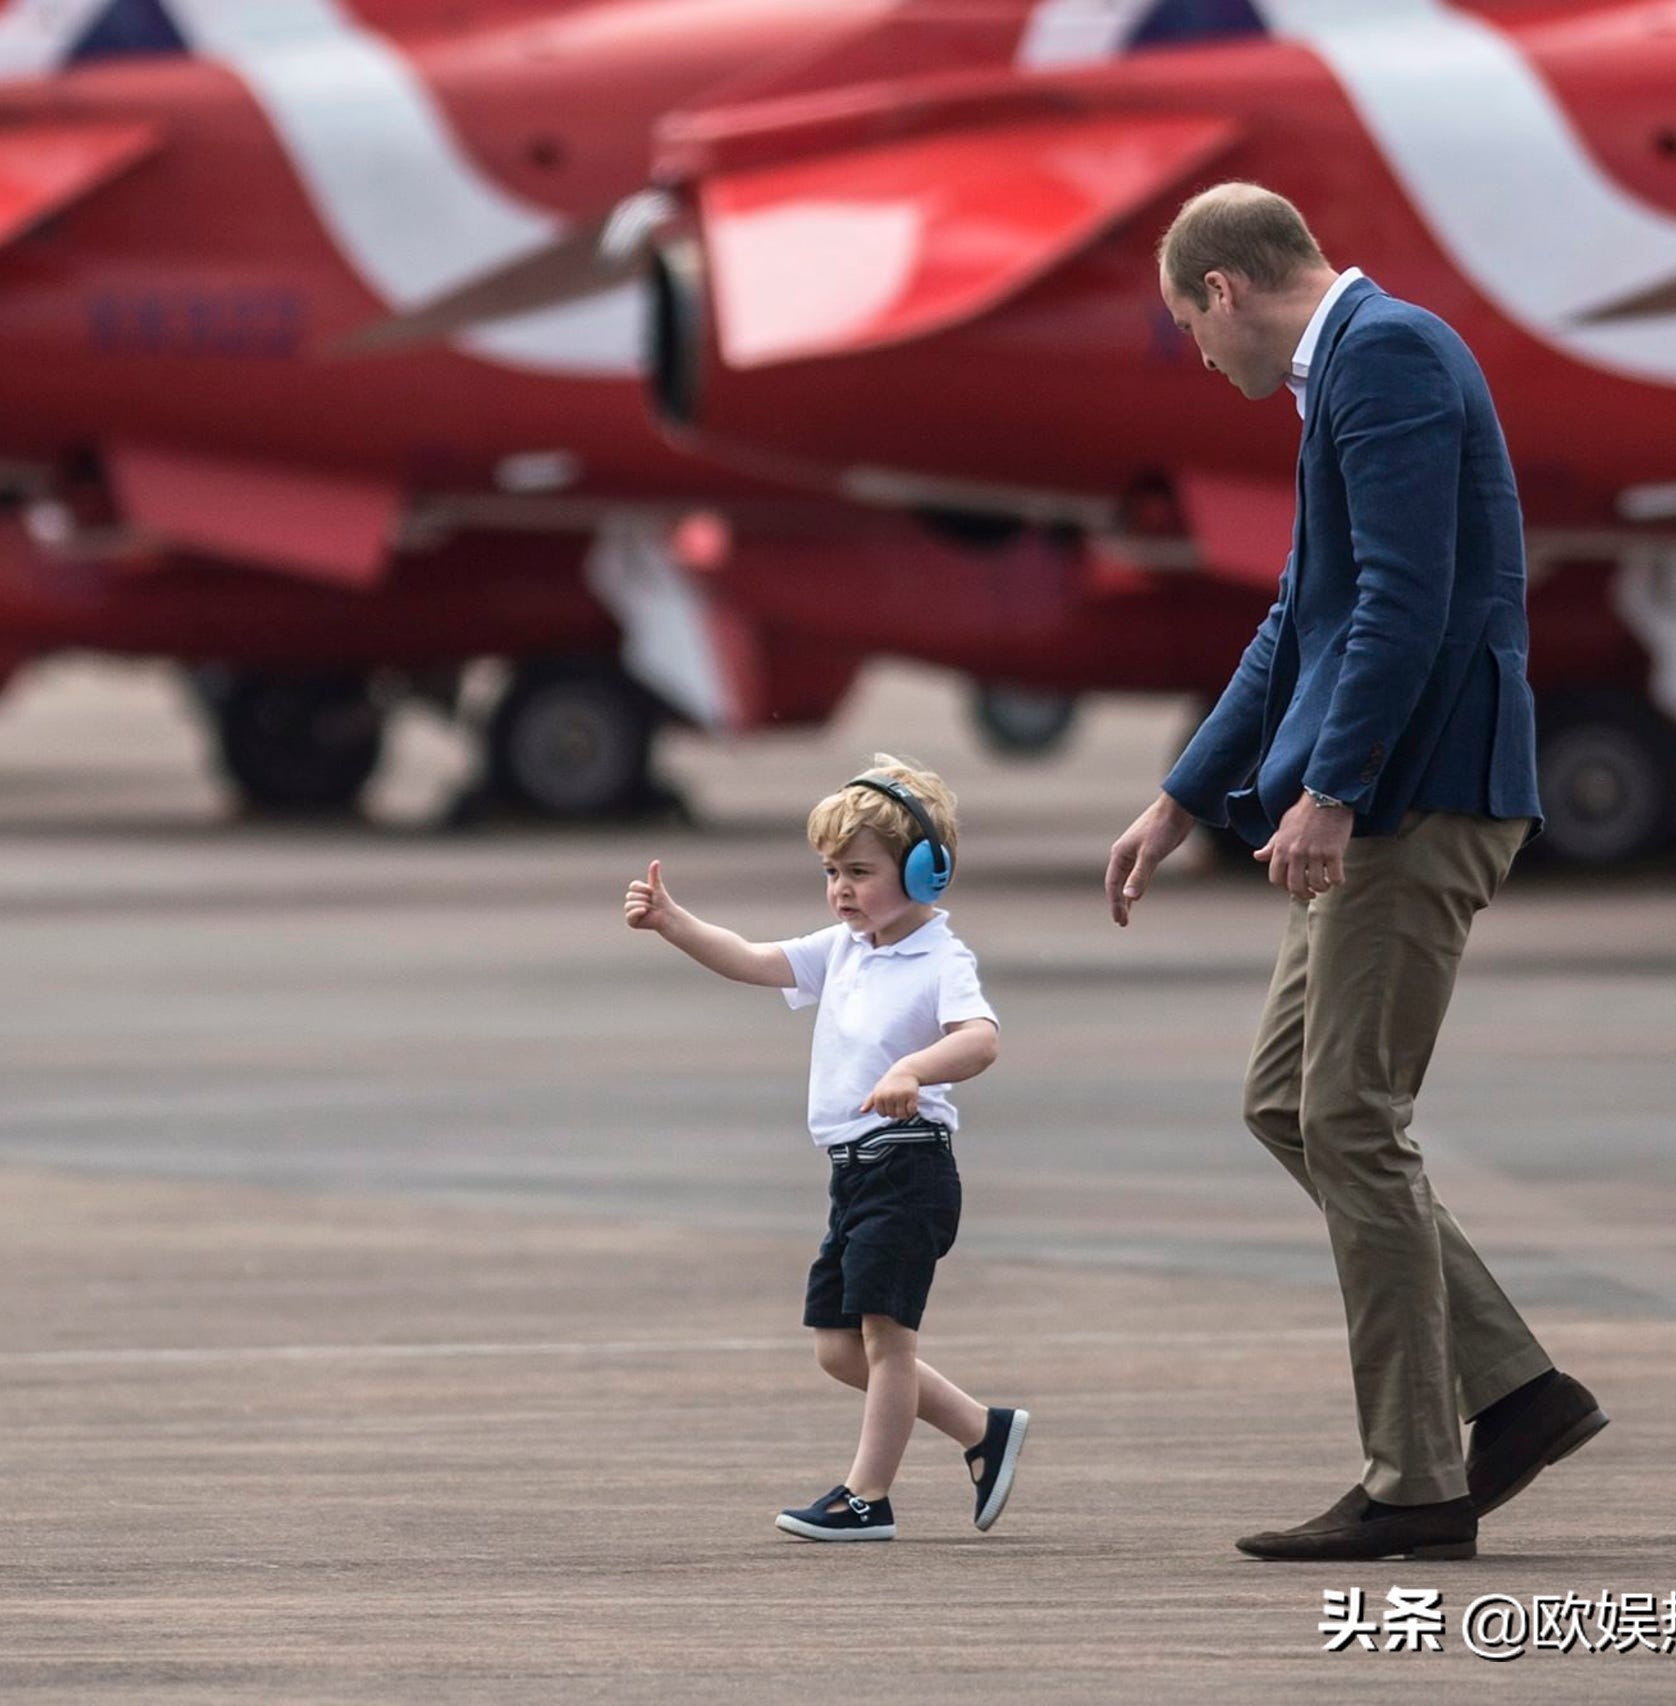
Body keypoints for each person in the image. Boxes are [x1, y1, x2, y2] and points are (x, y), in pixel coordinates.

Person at [1107, 182, 1607, 1563]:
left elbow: (1405, 601)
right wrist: (1181, 796)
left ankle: (1418, 1480)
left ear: (1224, 290)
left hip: (1416, 794)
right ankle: (1515, 1391)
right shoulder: (1356, 368)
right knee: (1291, 1100)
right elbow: (1303, 616)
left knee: (1351, 1113)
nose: (1203, 362)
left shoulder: (1383, 356)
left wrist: (1327, 790)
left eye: (1190, 331)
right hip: (1382, 792)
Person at [624, 754, 1026, 1542]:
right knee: (839, 1350)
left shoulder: (940, 958)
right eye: (830, 872)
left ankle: (865, 1497)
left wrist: (915, 1067)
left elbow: (980, 1040)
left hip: (909, 1165)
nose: (841, 889)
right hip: (853, 1174)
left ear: (925, 871)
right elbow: (752, 958)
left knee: (886, 1338)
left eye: (860, 872)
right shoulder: (846, 946)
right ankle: (984, 1429)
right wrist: (674, 924)